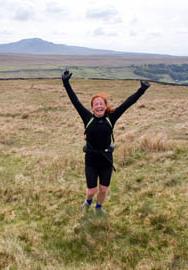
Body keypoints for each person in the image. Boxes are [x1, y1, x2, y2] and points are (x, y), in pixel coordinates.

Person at [62, 69, 150, 215]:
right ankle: (88, 201)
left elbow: (127, 103)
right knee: (91, 190)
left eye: (101, 103)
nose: (99, 106)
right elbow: (74, 101)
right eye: (96, 104)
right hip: (91, 159)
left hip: (106, 159)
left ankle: (98, 208)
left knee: (103, 189)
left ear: (105, 105)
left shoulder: (111, 118)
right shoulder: (87, 118)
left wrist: (141, 90)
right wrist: (66, 82)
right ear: (92, 108)